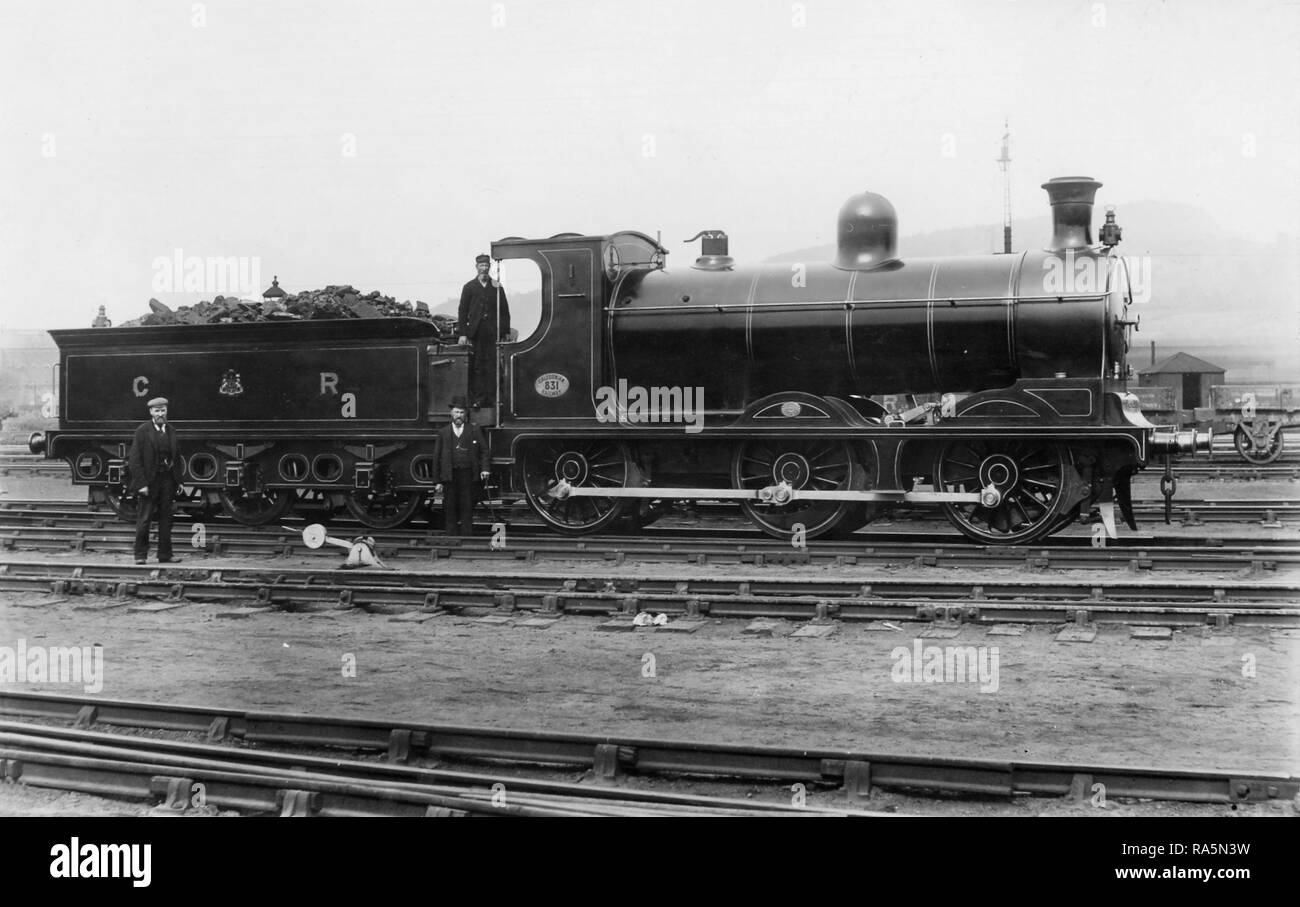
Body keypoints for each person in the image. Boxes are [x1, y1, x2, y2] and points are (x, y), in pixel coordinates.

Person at [127, 397, 184, 564]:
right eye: (157, 411)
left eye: (163, 410)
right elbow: (134, 460)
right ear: (151, 412)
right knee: (144, 519)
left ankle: (165, 555)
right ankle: (140, 556)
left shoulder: (171, 430)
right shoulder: (142, 431)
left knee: (167, 518)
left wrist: (179, 481)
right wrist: (142, 484)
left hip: (167, 480)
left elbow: (177, 457)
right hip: (150, 482)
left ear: (167, 411)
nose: (161, 414)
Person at [457, 253, 510, 408]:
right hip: (476, 333)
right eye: (481, 266)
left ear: (490, 267)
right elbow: (462, 311)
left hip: (493, 332)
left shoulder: (497, 286)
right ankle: (479, 399)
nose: (484, 268)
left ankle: (493, 399)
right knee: (478, 366)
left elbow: (505, 311)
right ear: (476, 267)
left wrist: (505, 331)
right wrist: (463, 334)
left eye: (487, 266)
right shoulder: (469, 287)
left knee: (493, 365)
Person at [432, 397, 491, 535]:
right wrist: (437, 481)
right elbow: (436, 457)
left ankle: (467, 533)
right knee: (449, 505)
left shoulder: (474, 430)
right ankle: (451, 534)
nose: (459, 415)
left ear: (466, 414)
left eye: (462, 413)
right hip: (449, 475)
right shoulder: (443, 432)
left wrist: (485, 469)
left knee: (467, 504)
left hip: (468, 474)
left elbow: (484, 450)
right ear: (451, 413)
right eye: (456, 412)